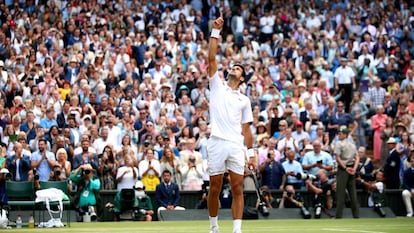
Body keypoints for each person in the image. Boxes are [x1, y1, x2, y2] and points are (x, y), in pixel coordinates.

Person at [207, 13, 254, 233]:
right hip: (216, 141)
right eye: (233, 68)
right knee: (214, 188)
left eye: (238, 69)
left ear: (242, 78)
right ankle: (214, 227)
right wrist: (216, 31)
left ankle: (237, 230)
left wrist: (251, 153)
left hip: (236, 145)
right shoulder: (216, 86)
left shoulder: (244, 100)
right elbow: (211, 58)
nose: (234, 69)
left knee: (237, 187)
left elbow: (246, 129)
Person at [334, 125, 360, 219]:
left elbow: (337, 158)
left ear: (345, 134)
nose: (338, 135)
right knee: (353, 193)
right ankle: (356, 215)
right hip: (352, 169)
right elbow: (357, 158)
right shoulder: (353, 145)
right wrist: (354, 169)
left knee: (340, 194)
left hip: (343, 170)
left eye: (340, 133)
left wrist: (345, 168)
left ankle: (338, 216)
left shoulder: (338, 144)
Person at [402, 153, 414, 217]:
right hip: (410, 190)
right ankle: (410, 212)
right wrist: (410, 190)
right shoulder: (406, 172)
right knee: (404, 193)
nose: (413, 162)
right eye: (412, 161)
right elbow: (404, 183)